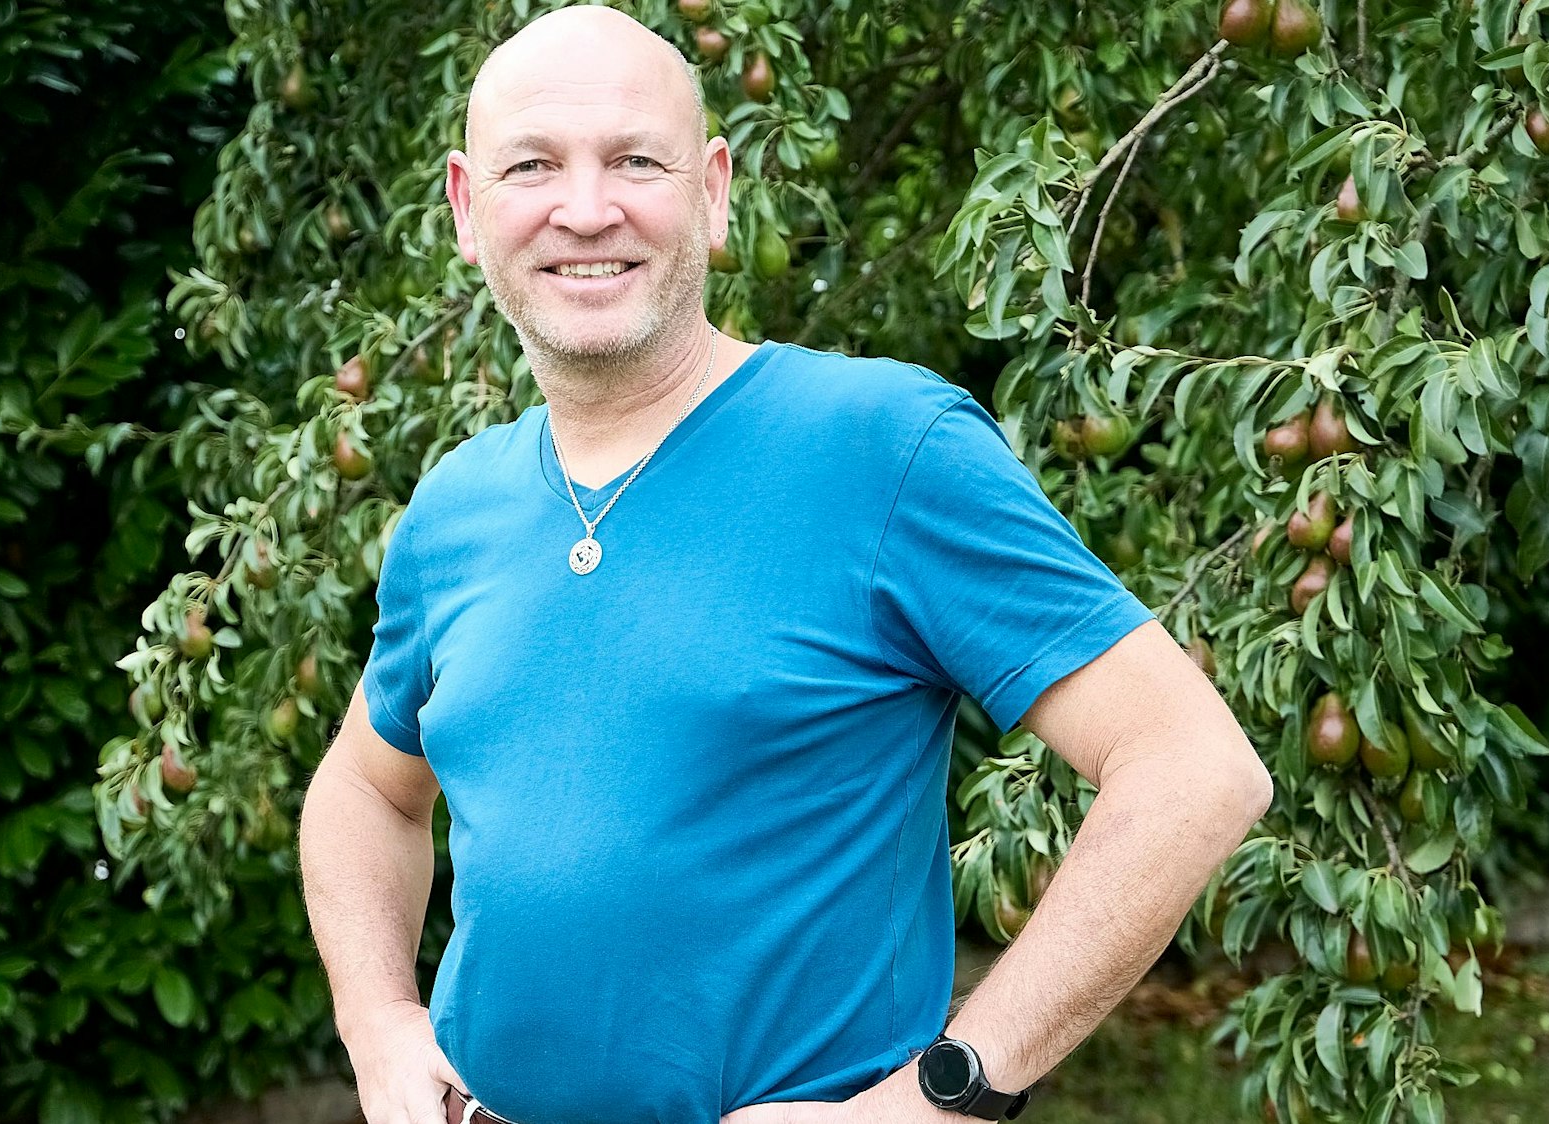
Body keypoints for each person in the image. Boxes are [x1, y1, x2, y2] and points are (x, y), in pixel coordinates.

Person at [298, 7, 1272, 1124]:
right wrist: (379, 1024)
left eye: (634, 160)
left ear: (713, 193)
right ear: (470, 210)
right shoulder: (453, 507)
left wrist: (936, 1100)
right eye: (533, 166)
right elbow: (366, 791)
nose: (583, 209)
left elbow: (1193, 766)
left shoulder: (882, 445)